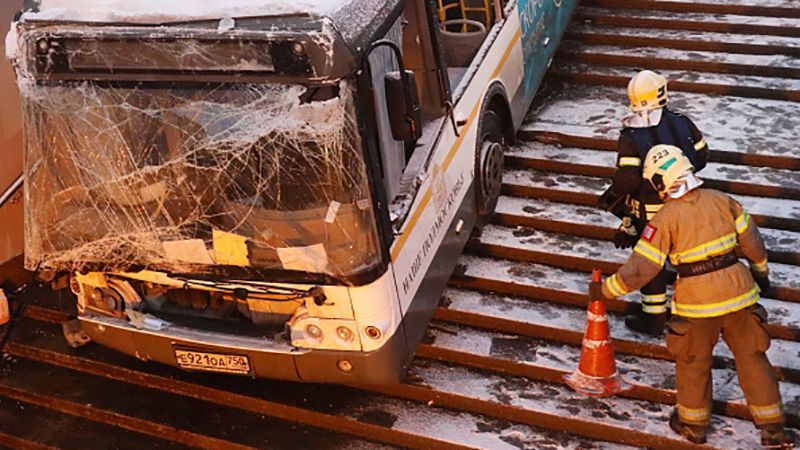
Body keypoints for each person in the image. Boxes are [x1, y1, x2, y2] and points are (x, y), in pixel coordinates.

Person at [590, 144, 791, 448]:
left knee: (693, 362)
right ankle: (773, 427)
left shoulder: (664, 219)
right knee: (752, 357)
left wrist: (604, 291)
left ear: (659, 183)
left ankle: (693, 425)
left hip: (697, 303)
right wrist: (760, 273)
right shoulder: (724, 201)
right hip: (739, 293)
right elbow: (752, 241)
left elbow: (640, 269)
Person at [600, 69, 709, 336]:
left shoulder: (630, 135)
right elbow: (702, 158)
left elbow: (627, 179)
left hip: (650, 213)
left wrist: (612, 197)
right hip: (686, 204)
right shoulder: (681, 122)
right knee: (688, 257)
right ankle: (695, 309)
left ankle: (654, 316)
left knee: (652, 263)